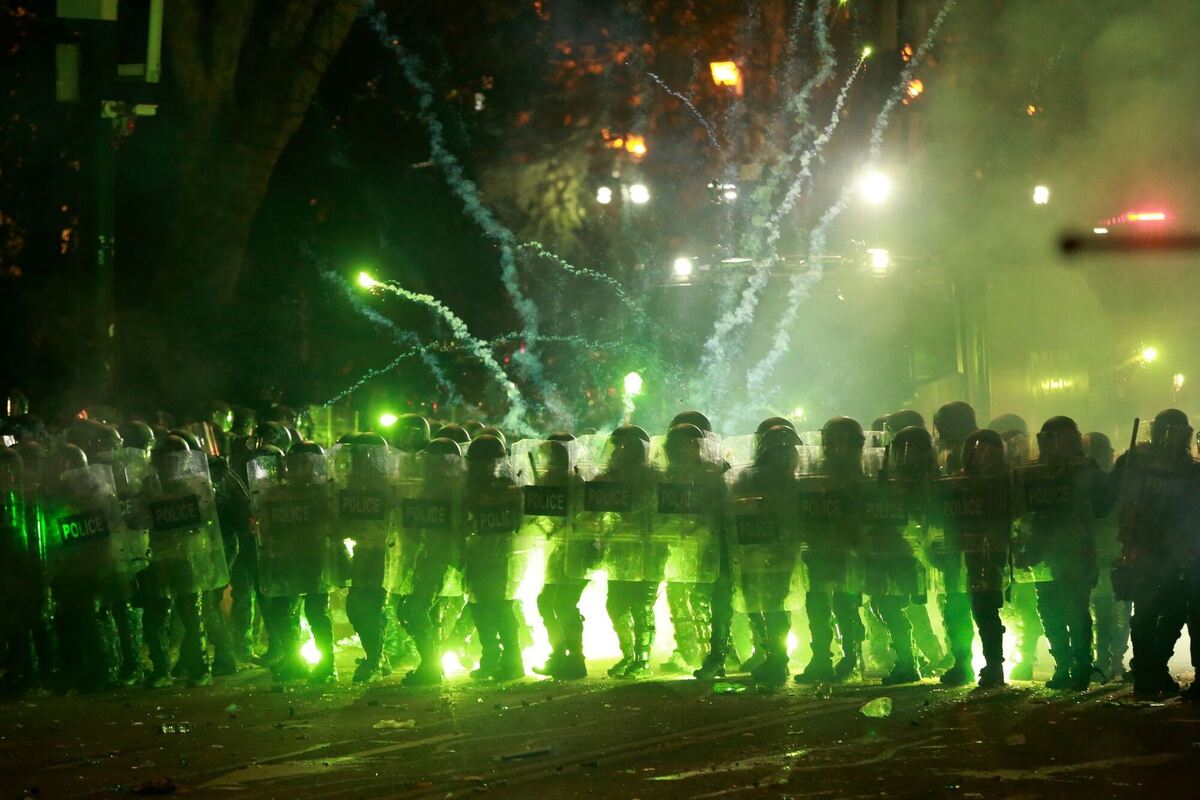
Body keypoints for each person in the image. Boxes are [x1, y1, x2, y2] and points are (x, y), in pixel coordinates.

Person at [1014, 417, 1111, 690]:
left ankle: (1079, 666)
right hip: (1047, 554)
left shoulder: (1083, 470)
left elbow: (1104, 505)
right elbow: (1022, 512)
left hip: (1075, 551)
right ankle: (1065, 665)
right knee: (1052, 611)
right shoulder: (1034, 473)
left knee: (1076, 611)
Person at [1112, 409, 1196, 696]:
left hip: (1174, 552)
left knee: (1169, 614)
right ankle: (1148, 674)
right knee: (1149, 614)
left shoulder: (1188, 469)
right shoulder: (1137, 462)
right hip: (1145, 550)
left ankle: (1152, 670)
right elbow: (1114, 494)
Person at [139, 436, 230, 688]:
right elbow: (137, 521)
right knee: (156, 616)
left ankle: (200, 669)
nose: (167, 467)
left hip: (188, 558)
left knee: (191, 614)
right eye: (162, 462)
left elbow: (209, 519)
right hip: (160, 558)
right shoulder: (150, 489)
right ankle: (161, 670)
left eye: (172, 461)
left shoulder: (196, 487)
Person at [934, 429, 1012, 688]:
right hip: (962, 555)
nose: (980, 458)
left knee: (984, 610)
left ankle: (993, 666)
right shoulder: (957, 483)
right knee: (958, 609)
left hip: (986, 555)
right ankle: (964, 663)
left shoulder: (1004, 483)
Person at [794, 417, 868, 684]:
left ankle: (850, 658)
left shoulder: (865, 474)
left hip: (848, 551)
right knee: (818, 605)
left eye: (846, 443)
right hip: (820, 550)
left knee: (845, 606)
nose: (839, 449)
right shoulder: (815, 474)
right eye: (833, 443)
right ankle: (822, 659)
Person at [729, 424, 802, 688]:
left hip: (774, 552)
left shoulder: (791, 483)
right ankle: (771, 656)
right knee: (759, 606)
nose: (784, 455)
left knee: (774, 607)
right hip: (754, 549)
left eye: (787, 450)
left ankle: (777, 660)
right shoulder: (748, 479)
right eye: (778, 450)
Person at [865, 426, 935, 685]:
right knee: (884, 606)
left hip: (906, 553)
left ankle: (911, 660)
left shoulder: (926, 480)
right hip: (888, 551)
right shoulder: (888, 477)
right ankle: (910, 659)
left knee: (895, 607)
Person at [393, 437, 466, 686]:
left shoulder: (458, 490)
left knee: (413, 610)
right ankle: (432, 661)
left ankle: (432, 664)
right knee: (409, 610)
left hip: (441, 560)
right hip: (425, 559)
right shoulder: (423, 488)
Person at [589, 425, 659, 678]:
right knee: (615, 605)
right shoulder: (608, 478)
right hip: (619, 553)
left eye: (624, 446)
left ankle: (642, 660)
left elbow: (649, 507)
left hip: (648, 552)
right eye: (616, 447)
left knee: (642, 607)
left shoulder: (652, 478)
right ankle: (629, 656)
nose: (618, 452)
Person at [654, 423, 725, 675]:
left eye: (690, 443)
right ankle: (689, 652)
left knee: (703, 601)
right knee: (679, 601)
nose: (685, 449)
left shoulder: (715, 473)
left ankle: (712, 656)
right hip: (679, 552)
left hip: (709, 551)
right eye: (679, 444)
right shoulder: (665, 476)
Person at [462, 434, 527, 681]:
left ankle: (512, 661)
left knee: (501, 608)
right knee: (480, 608)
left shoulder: (509, 487)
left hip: (501, 556)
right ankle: (492, 658)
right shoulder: (469, 487)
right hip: (478, 555)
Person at [524, 434, 589, 679]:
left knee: (563, 604)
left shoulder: (575, 482)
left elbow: (582, 517)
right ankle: (560, 654)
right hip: (557, 551)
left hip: (576, 552)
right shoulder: (548, 481)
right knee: (546, 601)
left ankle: (575, 658)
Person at [336, 432, 399, 684]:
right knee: (360, 607)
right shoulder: (351, 485)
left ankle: (374, 660)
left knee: (367, 605)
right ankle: (378, 657)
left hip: (383, 553)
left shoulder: (389, 485)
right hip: (362, 553)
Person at [929, 401, 980, 686]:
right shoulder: (955, 455)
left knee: (965, 603)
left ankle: (967, 663)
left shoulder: (971, 454)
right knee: (962, 603)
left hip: (970, 541)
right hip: (959, 542)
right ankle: (966, 662)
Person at [1083, 432, 1129, 681]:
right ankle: (1106, 662)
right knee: (1103, 613)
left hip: (1114, 554)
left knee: (1114, 612)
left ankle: (1110, 662)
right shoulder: (1111, 482)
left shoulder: (1119, 482)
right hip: (1102, 554)